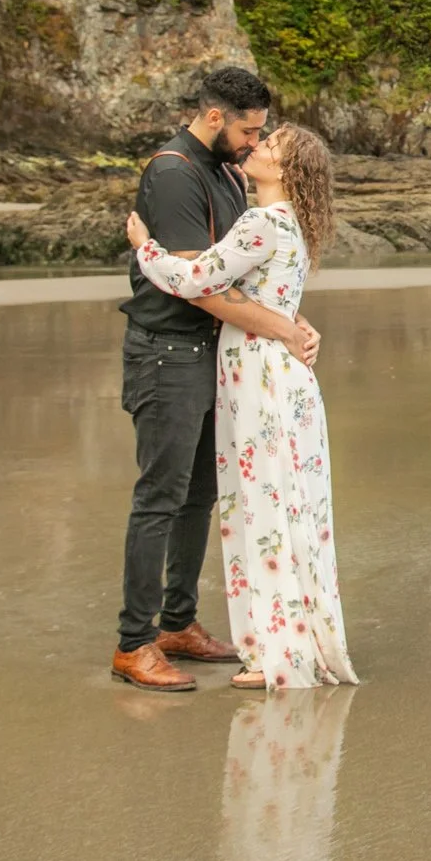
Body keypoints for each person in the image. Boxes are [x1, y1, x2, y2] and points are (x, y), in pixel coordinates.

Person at [126, 122, 359, 691]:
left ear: (285, 170)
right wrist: (296, 326)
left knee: (264, 507)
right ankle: (287, 644)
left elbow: (195, 278)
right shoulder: (292, 224)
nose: (257, 146)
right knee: (290, 504)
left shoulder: (261, 222)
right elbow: (268, 296)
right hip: (281, 373)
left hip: (259, 373)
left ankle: (278, 654)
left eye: (271, 145)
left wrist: (144, 246)